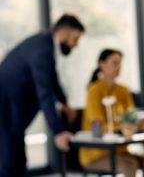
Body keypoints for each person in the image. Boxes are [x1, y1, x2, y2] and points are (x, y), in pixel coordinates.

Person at [0, 14, 85, 177]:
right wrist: (58, 132)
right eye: (75, 38)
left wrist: (65, 103)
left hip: (12, 111)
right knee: (8, 163)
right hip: (5, 109)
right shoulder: (42, 50)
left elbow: (53, 80)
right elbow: (44, 92)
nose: (76, 44)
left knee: (18, 163)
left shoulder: (45, 44)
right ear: (63, 32)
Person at [80, 49, 144, 177]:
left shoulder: (123, 90)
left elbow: (131, 117)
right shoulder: (94, 91)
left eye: (120, 63)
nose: (118, 67)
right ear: (102, 64)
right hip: (96, 154)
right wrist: (126, 127)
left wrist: (138, 123)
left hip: (119, 150)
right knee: (129, 164)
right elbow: (98, 126)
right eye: (115, 63)